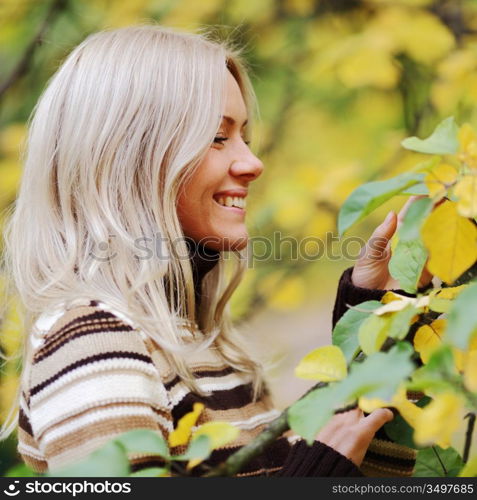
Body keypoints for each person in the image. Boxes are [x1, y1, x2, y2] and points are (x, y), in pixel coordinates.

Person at [0, 25, 425, 477]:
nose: (252, 162)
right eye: (217, 138)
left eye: (245, 137)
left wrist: (376, 322)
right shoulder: (94, 338)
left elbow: (360, 473)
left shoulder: (200, 345)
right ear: (130, 156)